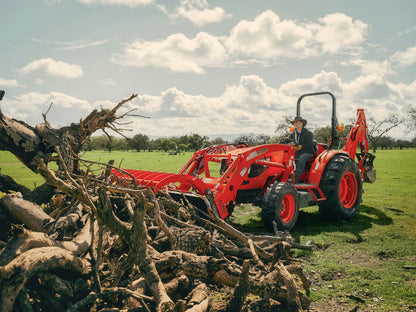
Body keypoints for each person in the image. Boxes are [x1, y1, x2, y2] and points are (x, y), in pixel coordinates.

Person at [289, 116, 314, 183]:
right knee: (287, 157)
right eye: (294, 123)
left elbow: (309, 145)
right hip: (297, 152)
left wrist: (301, 146)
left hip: (307, 152)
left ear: (302, 123)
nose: (295, 124)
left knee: (302, 158)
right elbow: (288, 141)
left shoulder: (308, 134)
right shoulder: (293, 134)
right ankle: (287, 176)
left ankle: (295, 179)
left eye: (297, 122)